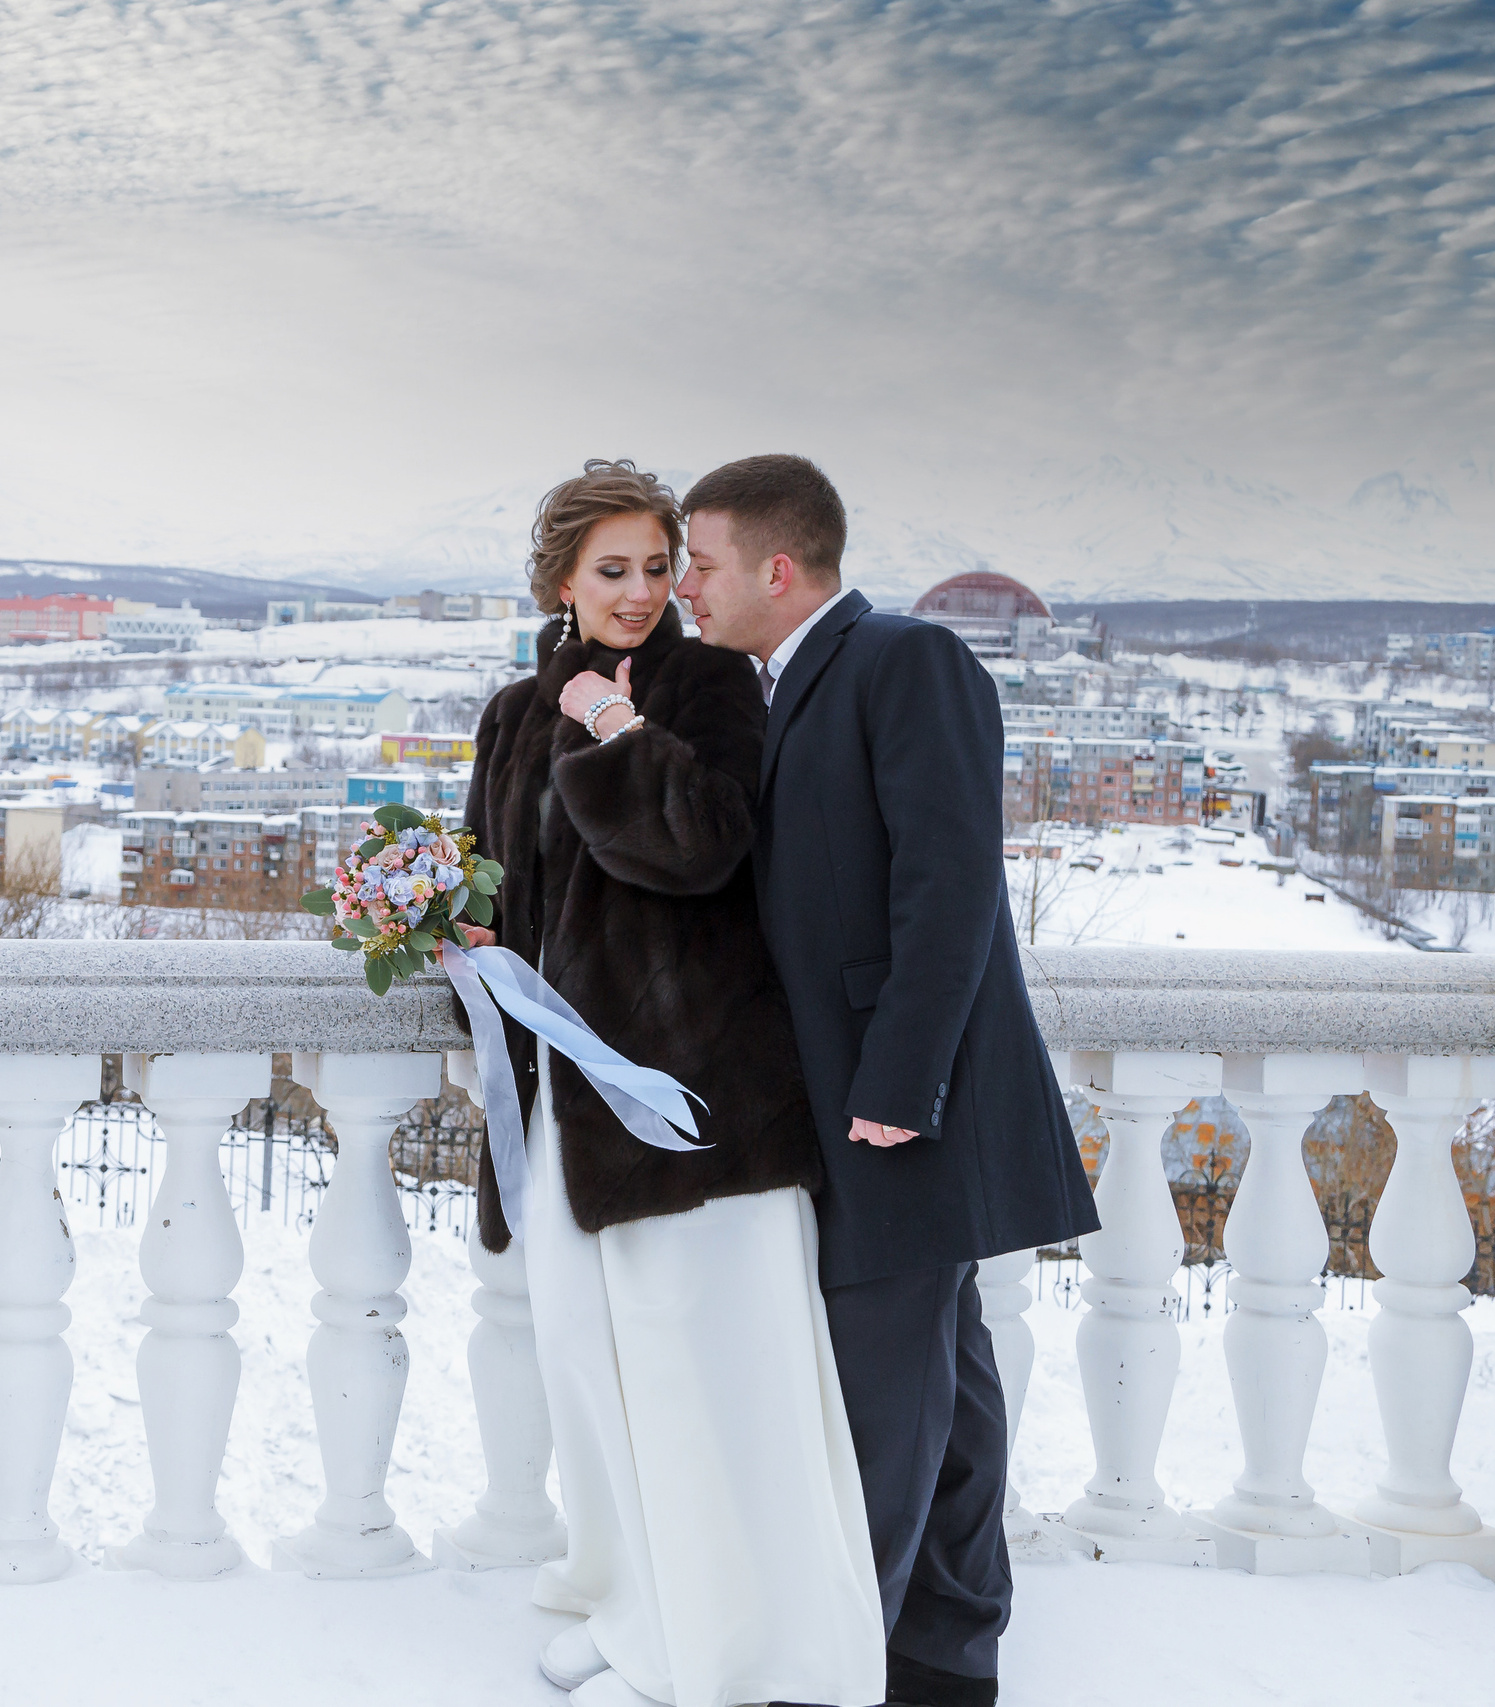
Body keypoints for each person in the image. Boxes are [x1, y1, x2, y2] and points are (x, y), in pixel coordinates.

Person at [448, 458, 885, 1707]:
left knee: (706, 1381)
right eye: (615, 571)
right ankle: (633, 1592)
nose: (645, 594)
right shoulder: (508, 711)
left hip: (693, 1102)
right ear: (560, 581)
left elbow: (699, 852)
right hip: (562, 1105)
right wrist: (449, 927)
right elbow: (500, 883)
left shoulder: (707, 687)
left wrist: (615, 726)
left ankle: (731, 1643)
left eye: (659, 568)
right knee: (594, 1375)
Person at [676, 454, 1101, 1707]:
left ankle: (833, 1666)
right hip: (852, 1096)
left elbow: (949, 880)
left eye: (699, 564)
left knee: (884, 1404)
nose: (687, 588)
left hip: (902, 1104)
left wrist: (899, 1088)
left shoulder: (904, 660)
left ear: (778, 568)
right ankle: (949, 1647)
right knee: (949, 1389)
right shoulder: (781, 685)